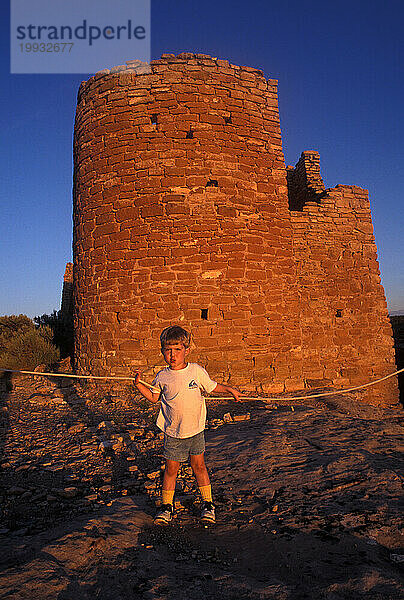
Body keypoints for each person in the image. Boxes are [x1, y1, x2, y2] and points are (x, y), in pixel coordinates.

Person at [134, 325, 241, 525]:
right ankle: (166, 506)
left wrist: (229, 389)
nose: (172, 355)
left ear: (187, 350)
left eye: (177, 349)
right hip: (173, 431)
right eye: (168, 350)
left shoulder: (196, 371)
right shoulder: (162, 376)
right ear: (162, 352)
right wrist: (139, 385)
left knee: (198, 466)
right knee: (171, 469)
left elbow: (212, 386)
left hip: (195, 431)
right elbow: (154, 397)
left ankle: (208, 504)